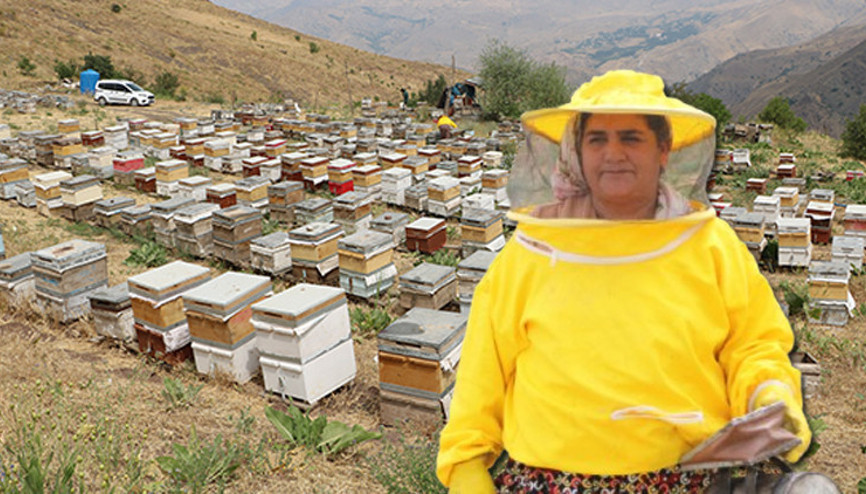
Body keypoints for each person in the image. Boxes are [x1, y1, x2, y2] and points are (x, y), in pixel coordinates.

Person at [436, 70, 815, 492]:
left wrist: (769, 394)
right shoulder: (529, 254)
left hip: (692, 478)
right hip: (549, 481)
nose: (613, 152)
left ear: (664, 149)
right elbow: (481, 378)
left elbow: (754, 343)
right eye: (597, 139)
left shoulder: (711, 246)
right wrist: (467, 467)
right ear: (577, 153)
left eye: (631, 137)